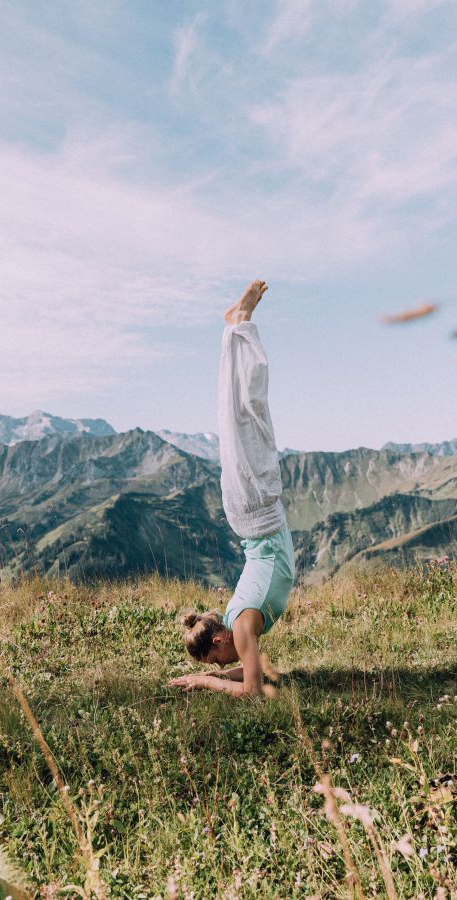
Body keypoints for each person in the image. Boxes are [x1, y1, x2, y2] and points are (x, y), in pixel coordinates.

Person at [168, 279, 295, 698]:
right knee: (243, 419)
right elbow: (256, 673)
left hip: (256, 509)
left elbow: (254, 691)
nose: (224, 665)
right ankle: (236, 327)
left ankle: (238, 324)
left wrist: (207, 680)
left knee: (246, 416)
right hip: (252, 514)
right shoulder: (235, 623)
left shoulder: (241, 629)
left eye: (216, 662)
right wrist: (218, 676)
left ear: (219, 642)